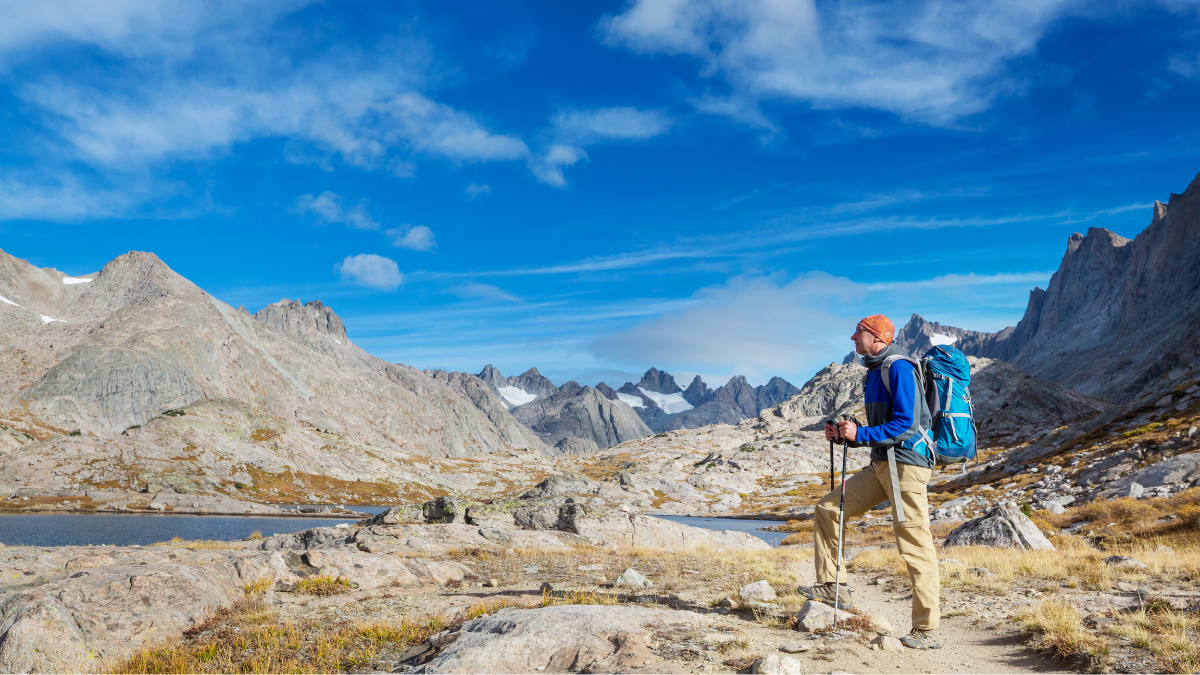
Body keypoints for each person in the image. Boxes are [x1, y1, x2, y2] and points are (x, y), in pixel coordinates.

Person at [796, 314, 942, 650]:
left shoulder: (899, 368)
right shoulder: (874, 371)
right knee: (829, 508)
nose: (853, 338)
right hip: (881, 464)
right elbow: (883, 425)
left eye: (858, 333)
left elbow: (906, 424)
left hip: (906, 466)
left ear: (877, 337)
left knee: (914, 543)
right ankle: (835, 586)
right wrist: (848, 434)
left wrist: (860, 434)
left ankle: (927, 629)